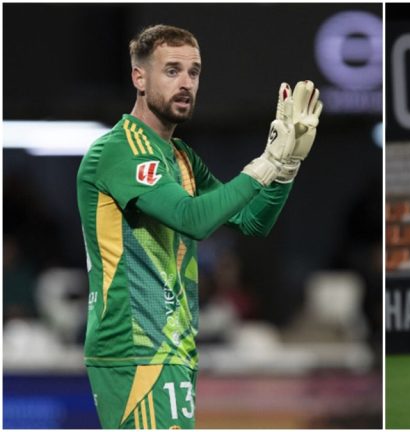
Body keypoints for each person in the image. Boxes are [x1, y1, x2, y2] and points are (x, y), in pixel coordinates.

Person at [76, 24, 322, 429]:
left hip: (173, 348)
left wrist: (286, 168)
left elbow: (250, 221)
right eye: (171, 70)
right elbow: (196, 220)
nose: (186, 82)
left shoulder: (181, 156)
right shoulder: (119, 150)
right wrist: (266, 163)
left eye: (194, 72)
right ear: (139, 77)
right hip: (135, 350)